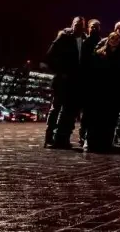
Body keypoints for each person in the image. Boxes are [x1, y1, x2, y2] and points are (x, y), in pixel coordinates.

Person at [44, 17, 88, 149]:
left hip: (76, 82)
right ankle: (49, 137)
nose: (78, 27)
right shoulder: (64, 37)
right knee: (56, 108)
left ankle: (63, 138)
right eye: (76, 24)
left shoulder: (85, 40)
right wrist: (61, 72)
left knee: (69, 111)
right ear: (72, 25)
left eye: (80, 25)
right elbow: (50, 56)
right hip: (63, 81)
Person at [89, 31, 120, 153]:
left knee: (111, 120)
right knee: (97, 118)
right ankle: (93, 143)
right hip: (100, 91)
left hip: (114, 93)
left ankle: (107, 143)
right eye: (112, 38)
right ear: (108, 39)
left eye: (117, 39)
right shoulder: (99, 54)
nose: (114, 41)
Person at [77, 19, 104, 147]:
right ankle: (83, 135)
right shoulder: (84, 42)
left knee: (95, 111)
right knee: (86, 111)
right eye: (92, 27)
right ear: (88, 28)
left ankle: (90, 135)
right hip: (86, 81)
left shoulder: (102, 42)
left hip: (97, 81)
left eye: (96, 27)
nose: (94, 29)